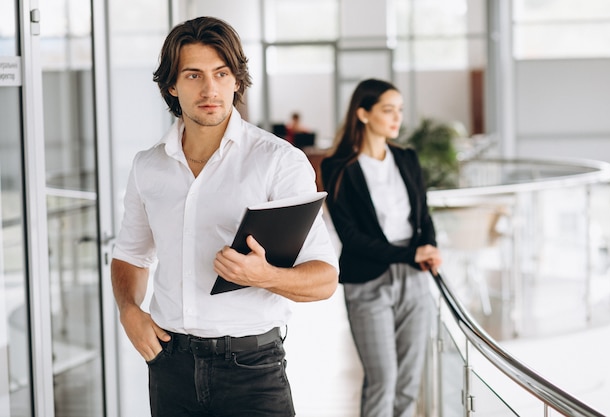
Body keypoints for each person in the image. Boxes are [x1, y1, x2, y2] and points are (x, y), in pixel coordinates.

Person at [110, 16, 339, 417]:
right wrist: (129, 310)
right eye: (194, 75)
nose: (210, 88)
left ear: (237, 80)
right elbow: (131, 254)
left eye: (221, 73)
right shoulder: (148, 166)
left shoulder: (278, 163)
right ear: (172, 85)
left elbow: (324, 279)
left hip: (252, 370)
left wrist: (264, 276)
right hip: (170, 366)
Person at [320, 78, 442, 417]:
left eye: (400, 110)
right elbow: (350, 235)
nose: (396, 118)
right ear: (363, 113)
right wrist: (409, 254)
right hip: (368, 280)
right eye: (387, 110)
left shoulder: (406, 158)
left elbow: (423, 215)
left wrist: (428, 245)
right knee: (382, 380)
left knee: (407, 382)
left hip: (415, 277)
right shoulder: (338, 167)